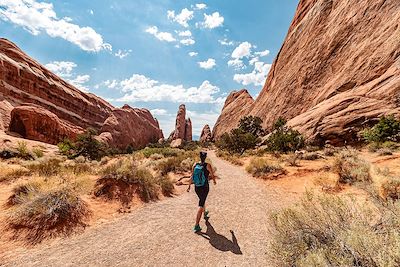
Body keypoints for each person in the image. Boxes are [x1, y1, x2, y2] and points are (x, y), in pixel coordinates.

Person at [187, 151, 217, 232]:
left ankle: (205, 213)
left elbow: (192, 176)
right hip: (205, 187)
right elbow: (212, 174)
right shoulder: (208, 165)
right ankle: (196, 225)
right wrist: (214, 181)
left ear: (200, 157)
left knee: (202, 199)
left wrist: (189, 186)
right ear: (206, 157)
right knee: (201, 204)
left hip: (197, 187)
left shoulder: (195, 164)